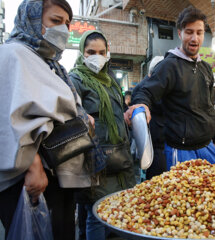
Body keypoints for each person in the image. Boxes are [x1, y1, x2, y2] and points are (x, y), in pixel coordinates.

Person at [0, 1, 106, 239]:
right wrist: (32, 163)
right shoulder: (13, 55)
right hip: (32, 174)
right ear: (33, 20)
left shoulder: (50, 63)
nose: (64, 30)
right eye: (55, 21)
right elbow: (8, 118)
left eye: (67, 24)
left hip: (58, 173)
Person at [125, 6, 215, 170]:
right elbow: (144, 91)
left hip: (207, 147)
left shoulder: (206, 68)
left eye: (199, 33)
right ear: (180, 33)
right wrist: (141, 104)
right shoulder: (169, 66)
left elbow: (210, 107)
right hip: (181, 150)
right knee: (186, 194)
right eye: (189, 32)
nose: (194, 38)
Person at [69, 30, 136, 240]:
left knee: (117, 212)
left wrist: (124, 117)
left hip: (119, 159)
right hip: (95, 160)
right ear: (82, 52)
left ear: (107, 53)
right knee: (96, 215)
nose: (96, 56)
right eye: (91, 52)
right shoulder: (75, 79)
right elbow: (72, 116)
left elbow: (114, 114)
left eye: (101, 51)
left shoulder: (110, 81)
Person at [133, 56, 167, 180]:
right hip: (155, 144)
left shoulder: (157, 85)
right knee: (158, 183)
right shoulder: (144, 89)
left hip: (161, 143)